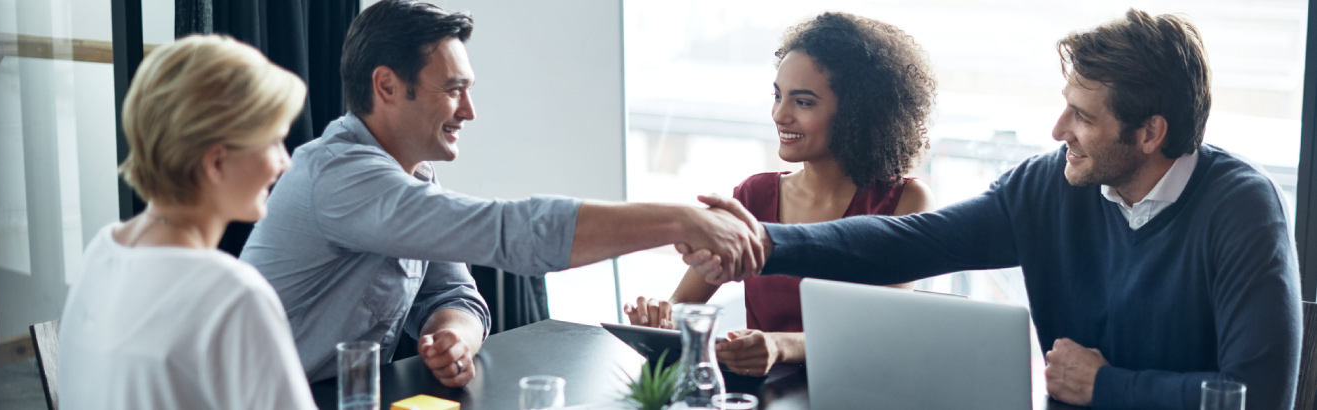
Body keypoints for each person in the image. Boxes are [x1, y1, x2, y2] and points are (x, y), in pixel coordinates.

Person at [684, 9, 1299, 410]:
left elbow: (1257, 395)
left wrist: (1106, 387)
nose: (1059, 130)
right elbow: (906, 241)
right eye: (1066, 106)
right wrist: (760, 238)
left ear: (1149, 133)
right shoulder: (1046, 187)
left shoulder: (1241, 208)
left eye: (1083, 116)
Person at [239, 0, 762, 387]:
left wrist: (454, 336)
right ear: (388, 86)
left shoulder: (411, 176)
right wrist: (678, 221)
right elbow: (511, 232)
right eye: (453, 90)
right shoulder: (341, 176)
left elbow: (455, 295)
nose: (469, 112)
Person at [623, 12, 935, 377]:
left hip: (857, 391)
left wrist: (780, 345)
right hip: (761, 394)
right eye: (778, 96)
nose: (779, 114)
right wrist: (661, 320)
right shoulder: (753, 196)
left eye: (803, 102)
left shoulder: (905, 201)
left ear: (857, 114)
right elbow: (683, 305)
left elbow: (881, 328)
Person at [57, 35, 314, 409]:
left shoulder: (103, 250)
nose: (285, 162)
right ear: (216, 163)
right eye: (274, 141)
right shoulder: (232, 295)